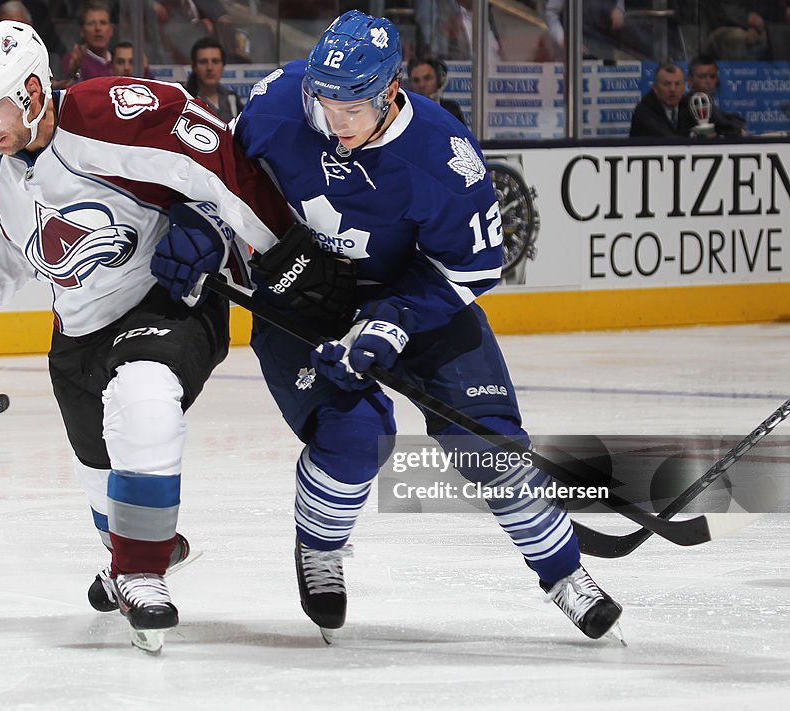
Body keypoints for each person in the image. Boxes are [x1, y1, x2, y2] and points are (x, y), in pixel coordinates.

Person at [152, 10, 624, 642]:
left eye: (352, 110)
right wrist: (203, 226)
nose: (333, 122)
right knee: (356, 436)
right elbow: (227, 181)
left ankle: (565, 574)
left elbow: (474, 267)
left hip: (414, 299)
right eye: (324, 103)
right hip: (302, 298)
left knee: (490, 442)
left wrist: (394, 322)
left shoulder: (443, 155)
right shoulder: (279, 102)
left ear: (391, 92)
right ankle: (321, 549)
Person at [0, 18, 312, 654]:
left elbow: (228, 177)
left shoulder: (118, 119)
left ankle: (140, 569)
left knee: (142, 400)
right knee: (100, 475)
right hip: (79, 329)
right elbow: (11, 249)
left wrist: (276, 261)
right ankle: (144, 547)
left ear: (33, 90)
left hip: (166, 300)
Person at [184, 36, 241, 124]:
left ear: (223, 66)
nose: (210, 68)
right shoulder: (184, 99)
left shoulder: (232, 98)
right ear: (194, 67)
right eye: (203, 62)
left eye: (215, 61)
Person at [686, 55, 747, 137]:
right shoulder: (693, 104)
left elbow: (725, 120)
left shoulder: (709, 104)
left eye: (712, 77)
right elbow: (723, 125)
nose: (708, 81)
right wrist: (738, 131)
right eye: (702, 77)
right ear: (690, 81)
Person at [629, 61, 694, 137]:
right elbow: (667, 139)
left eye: (677, 84)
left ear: (684, 87)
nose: (673, 89)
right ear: (655, 88)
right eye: (667, 84)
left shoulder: (691, 107)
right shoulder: (644, 111)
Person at [407, 56, 465, 123]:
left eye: (427, 78)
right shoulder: (405, 112)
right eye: (416, 80)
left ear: (439, 80)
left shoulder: (452, 110)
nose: (421, 85)